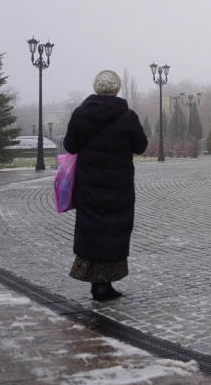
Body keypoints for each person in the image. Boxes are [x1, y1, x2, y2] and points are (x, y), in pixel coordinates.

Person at [64, 70, 148, 301]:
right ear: (117, 89)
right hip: (118, 185)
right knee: (113, 230)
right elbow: (140, 146)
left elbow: (70, 146)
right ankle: (106, 283)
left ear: (96, 88)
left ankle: (96, 282)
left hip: (89, 185)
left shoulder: (81, 114)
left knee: (92, 229)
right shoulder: (128, 116)